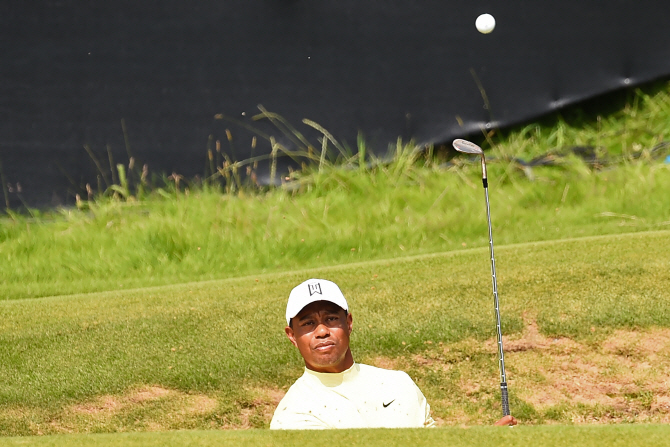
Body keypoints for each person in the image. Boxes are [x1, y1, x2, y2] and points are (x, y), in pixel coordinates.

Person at [270, 278, 517, 430]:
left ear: (349, 322)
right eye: (308, 323)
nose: (322, 331)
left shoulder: (398, 383)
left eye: (331, 318)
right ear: (292, 335)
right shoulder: (293, 414)